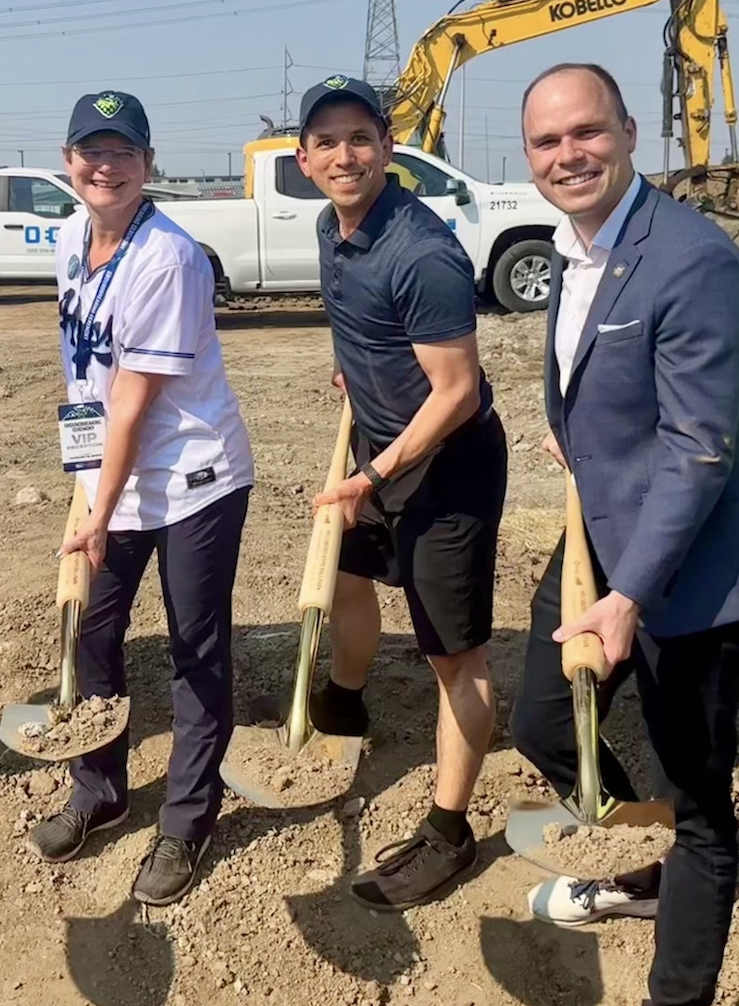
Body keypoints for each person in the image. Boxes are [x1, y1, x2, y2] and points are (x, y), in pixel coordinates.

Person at [509, 63, 739, 1006]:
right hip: (599, 532)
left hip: (693, 567)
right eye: (548, 142)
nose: (568, 155)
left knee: (701, 799)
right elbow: (592, 371)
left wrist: (627, 597)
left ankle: (685, 938)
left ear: (631, 132)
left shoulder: (694, 258)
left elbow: (699, 449)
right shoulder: (575, 245)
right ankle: (667, 841)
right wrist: (570, 425)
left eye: (586, 133)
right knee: (544, 723)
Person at [26, 90, 254, 907]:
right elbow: (84, 378)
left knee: (195, 646)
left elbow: (133, 398)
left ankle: (188, 818)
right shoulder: (67, 240)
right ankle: (99, 789)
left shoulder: (170, 257)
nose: (106, 166)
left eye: (123, 153)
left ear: (147, 165)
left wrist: (97, 506)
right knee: (92, 626)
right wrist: (84, 487)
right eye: (92, 150)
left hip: (193, 479)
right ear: (68, 160)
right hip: (112, 472)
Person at [295, 75, 508, 910]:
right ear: (305, 159)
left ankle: (449, 833)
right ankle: (347, 703)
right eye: (327, 142)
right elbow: (360, 318)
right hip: (378, 448)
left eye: (360, 137)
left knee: (454, 656)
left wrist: (369, 478)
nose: (344, 155)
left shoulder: (421, 250)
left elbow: (456, 392)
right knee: (348, 577)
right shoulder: (332, 226)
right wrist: (357, 370)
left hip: (445, 469)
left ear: (387, 144)